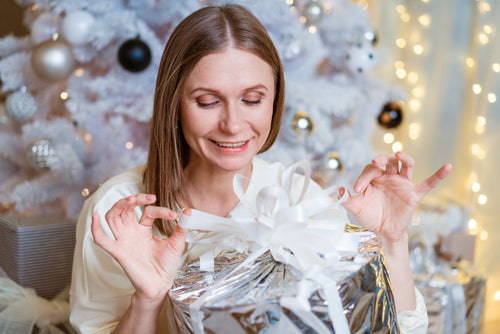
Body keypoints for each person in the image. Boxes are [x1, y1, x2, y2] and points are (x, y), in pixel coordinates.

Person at [69, 4, 452, 334]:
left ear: (274, 100)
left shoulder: (300, 202)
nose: (233, 124)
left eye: (252, 99)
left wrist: (391, 240)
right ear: (174, 104)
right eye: (207, 102)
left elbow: (397, 328)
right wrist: (148, 301)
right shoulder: (118, 213)